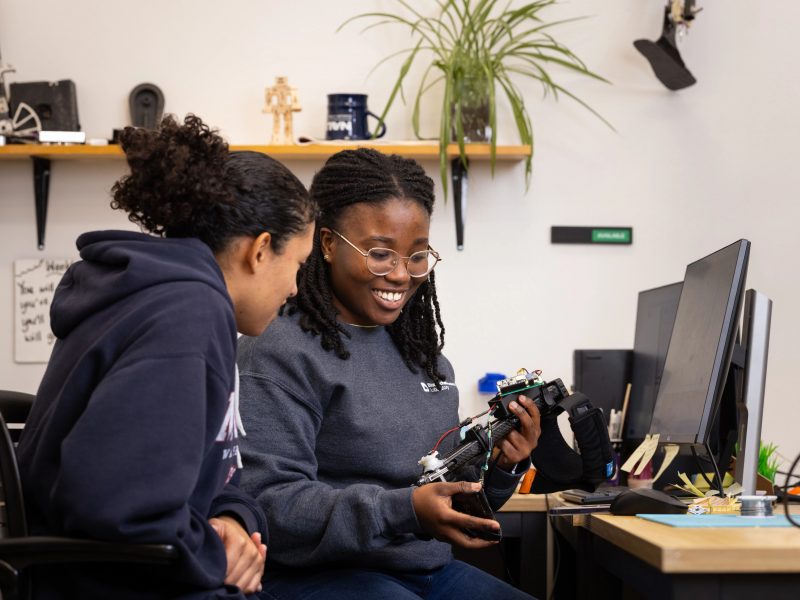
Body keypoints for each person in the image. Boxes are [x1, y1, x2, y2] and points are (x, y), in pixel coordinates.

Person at [16, 115, 317, 599]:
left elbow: (201, 473)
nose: (295, 288)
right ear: (260, 250)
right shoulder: (188, 316)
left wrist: (231, 520)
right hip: (107, 585)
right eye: (297, 265)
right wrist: (216, 555)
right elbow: (115, 504)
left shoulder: (163, 295)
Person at [237, 148, 542, 599]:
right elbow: (267, 503)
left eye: (417, 256)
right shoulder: (278, 348)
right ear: (327, 244)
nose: (401, 275)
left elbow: (452, 504)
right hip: (320, 578)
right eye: (380, 254)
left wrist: (503, 467)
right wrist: (404, 511)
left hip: (429, 574)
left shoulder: (426, 359)